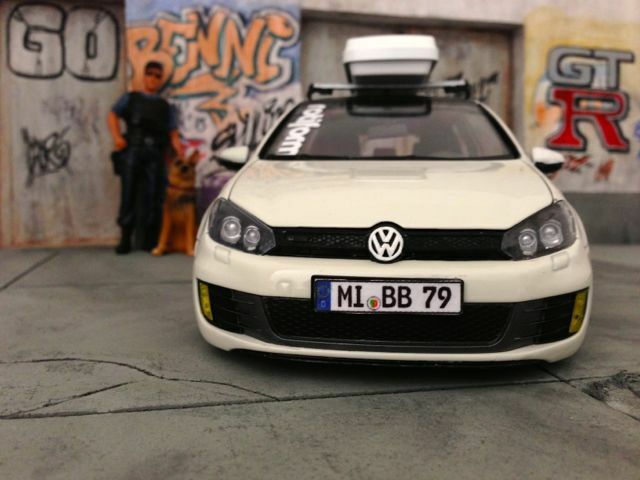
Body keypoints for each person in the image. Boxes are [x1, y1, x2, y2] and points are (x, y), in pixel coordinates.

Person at [107, 61, 185, 254]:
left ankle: (150, 239)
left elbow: (173, 133)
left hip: (155, 153)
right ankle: (126, 238)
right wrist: (117, 137)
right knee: (128, 193)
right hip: (133, 149)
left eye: (158, 75)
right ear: (144, 75)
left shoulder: (165, 106)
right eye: (150, 74)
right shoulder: (130, 98)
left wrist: (181, 154)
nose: (153, 78)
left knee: (153, 195)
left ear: (161, 80)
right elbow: (112, 115)